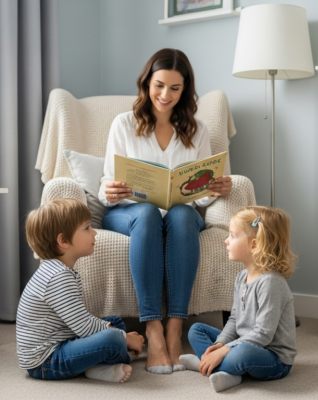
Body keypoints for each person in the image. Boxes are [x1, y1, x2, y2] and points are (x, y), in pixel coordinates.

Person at [98, 48, 233, 374]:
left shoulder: (197, 129)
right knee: (146, 213)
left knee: (184, 215)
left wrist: (213, 190)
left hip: (179, 214)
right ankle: (154, 330)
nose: (165, 95)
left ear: (185, 89)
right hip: (128, 214)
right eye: (159, 85)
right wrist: (111, 190)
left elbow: (198, 197)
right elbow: (105, 185)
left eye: (175, 88)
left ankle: (176, 326)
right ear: (146, 83)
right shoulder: (124, 124)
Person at [16, 199, 144, 382]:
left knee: (114, 321)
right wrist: (123, 338)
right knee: (113, 337)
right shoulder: (58, 276)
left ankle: (104, 359)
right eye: (87, 228)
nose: (94, 233)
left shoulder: (58, 270)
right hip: (46, 362)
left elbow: (79, 322)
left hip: (62, 342)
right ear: (63, 240)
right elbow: (83, 326)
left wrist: (117, 333)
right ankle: (98, 367)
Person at [179, 206, 298, 392]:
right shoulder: (241, 277)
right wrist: (219, 344)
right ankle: (222, 370)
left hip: (273, 357)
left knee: (242, 353)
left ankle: (206, 365)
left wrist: (225, 350)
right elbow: (234, 319)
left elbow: (263, 335)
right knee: (196, 329)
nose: (226, 241)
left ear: (254, 244)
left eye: (233, 236)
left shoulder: (271, 282)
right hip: (243, 342)